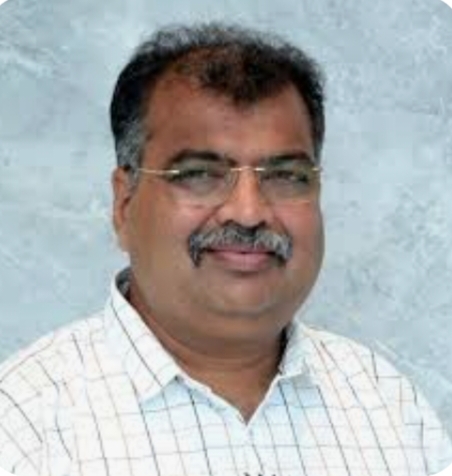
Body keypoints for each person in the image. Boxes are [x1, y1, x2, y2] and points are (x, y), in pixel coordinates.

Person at [0, 23, 450, 476]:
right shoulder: (25, 428)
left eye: (285, 176)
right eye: (200, 174)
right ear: (124, 204)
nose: (248, 213)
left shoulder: (390, 408)